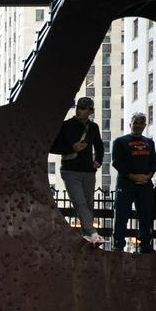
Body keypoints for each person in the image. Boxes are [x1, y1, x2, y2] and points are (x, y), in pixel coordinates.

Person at [54, 96, 105, 245]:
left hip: (88, 171)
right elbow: (52, 147)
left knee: (88, 204)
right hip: (70, 171)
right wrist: (71, 148)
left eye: (83, 108)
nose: (79, 110)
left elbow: (100, 145)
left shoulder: (93, 127)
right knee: (80, 202)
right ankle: (93, 234)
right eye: (78, 107)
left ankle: (87, 237)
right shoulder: (65, 125)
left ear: (90, 111)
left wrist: (98, 160)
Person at [111, 112, 156, 253]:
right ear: (130, 124)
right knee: (121, 214)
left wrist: (148, 176)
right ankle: (118, 244)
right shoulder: (120, 141)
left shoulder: (150, 142)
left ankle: (145, 244)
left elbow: (154, 163)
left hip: (145, 185)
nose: (138, 125)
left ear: (145, 125)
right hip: (126, 184)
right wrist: (132, 176)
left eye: (141, 123)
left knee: (146, 215)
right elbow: (117, 163)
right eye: (135, 122)